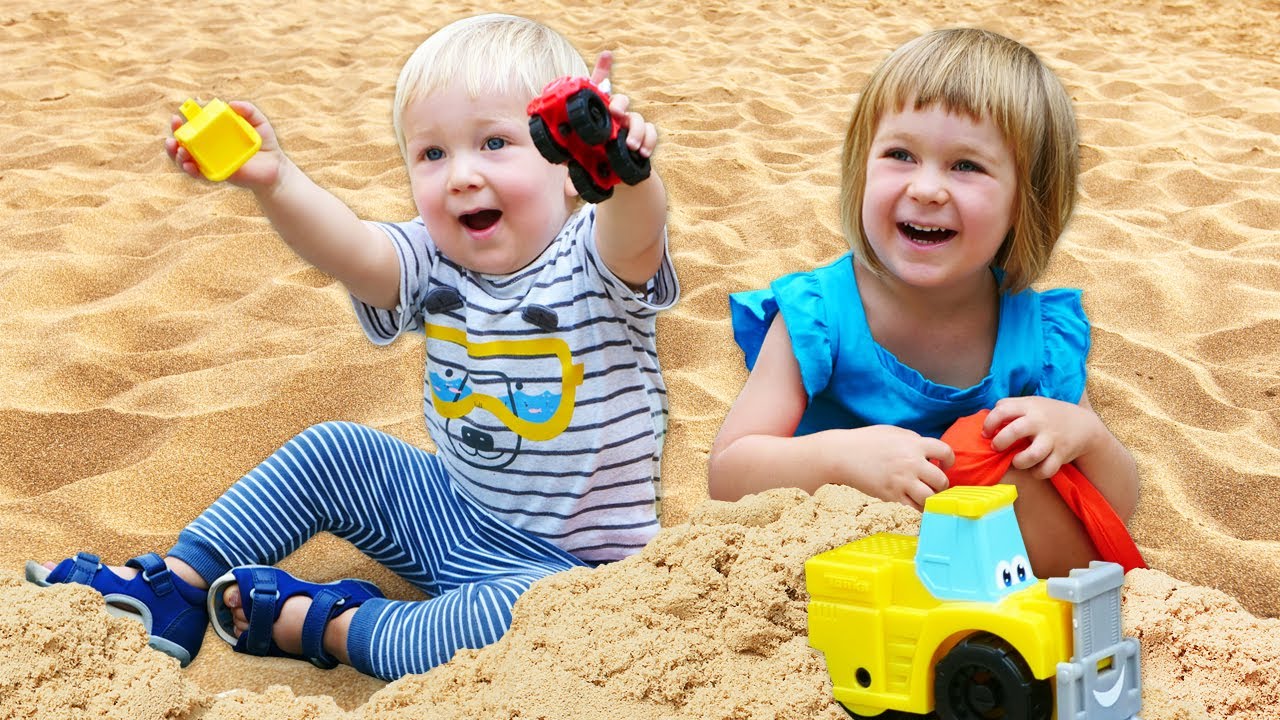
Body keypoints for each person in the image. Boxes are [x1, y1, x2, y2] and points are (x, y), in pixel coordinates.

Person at [30, 13, 677, 680]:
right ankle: (177, 583)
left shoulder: (593, 259)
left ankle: (333, 625)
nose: (459, 175)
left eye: (493, 143)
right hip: (451, 508)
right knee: (334, 449)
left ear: (569, 168)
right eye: (431, 153)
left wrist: (623, 168)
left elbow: (636, 231)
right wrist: (277, 182)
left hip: (567, 570)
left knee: (515, 621)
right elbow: (355, 250)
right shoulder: (435, 258)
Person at [708, 28, 1139, 579]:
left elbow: (1112, 510)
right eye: (900, 154)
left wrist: (1090, 438)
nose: (927, 188)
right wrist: (840, 457)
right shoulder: (817, 315)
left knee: (1030, 479)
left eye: (966, 166)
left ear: (1026, 200)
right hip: (831, 579)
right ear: (861, 167)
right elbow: (728, 473)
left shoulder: (1038, 339)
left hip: (977, 595)